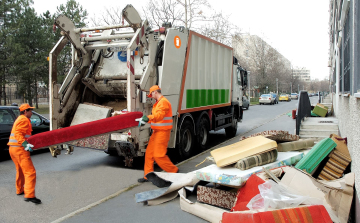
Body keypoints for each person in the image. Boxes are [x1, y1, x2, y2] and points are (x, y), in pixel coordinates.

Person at [138, 85, 178, 183]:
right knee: (149, 154)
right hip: (157, 132)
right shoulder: (158, 103)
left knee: (158, 156)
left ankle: (174, 171)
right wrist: (145, 121)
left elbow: (159, 116)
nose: (151, 97)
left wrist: (148, 117)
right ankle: (148, 175)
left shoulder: (163, 102)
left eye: (152, 95)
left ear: (155, 92)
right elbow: (156, 119)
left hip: (163, 132)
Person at [8, 103, 41, 204]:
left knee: (21, 170)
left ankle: (20, 190)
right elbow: (18, 133)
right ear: (25, 111)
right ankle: (30, 195)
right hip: (20, 149)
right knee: (30, 172)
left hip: (13, 149)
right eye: (30, 111)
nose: (32, 112)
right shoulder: (23, 119)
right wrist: (25, 144)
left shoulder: (20, 118)